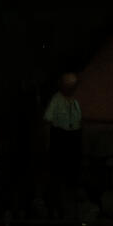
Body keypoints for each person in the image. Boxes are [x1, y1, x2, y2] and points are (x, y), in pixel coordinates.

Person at [41, 73, 83, 201]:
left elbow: (78, 121)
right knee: (59, 171)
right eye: (69, 86)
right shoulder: (56, 99)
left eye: (73, 86)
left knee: (71, 170)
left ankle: (69, 194)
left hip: (72, 139)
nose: (72, 89)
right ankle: (59, 196)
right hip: (61, 138)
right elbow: (47, 119)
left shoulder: (74, 101)